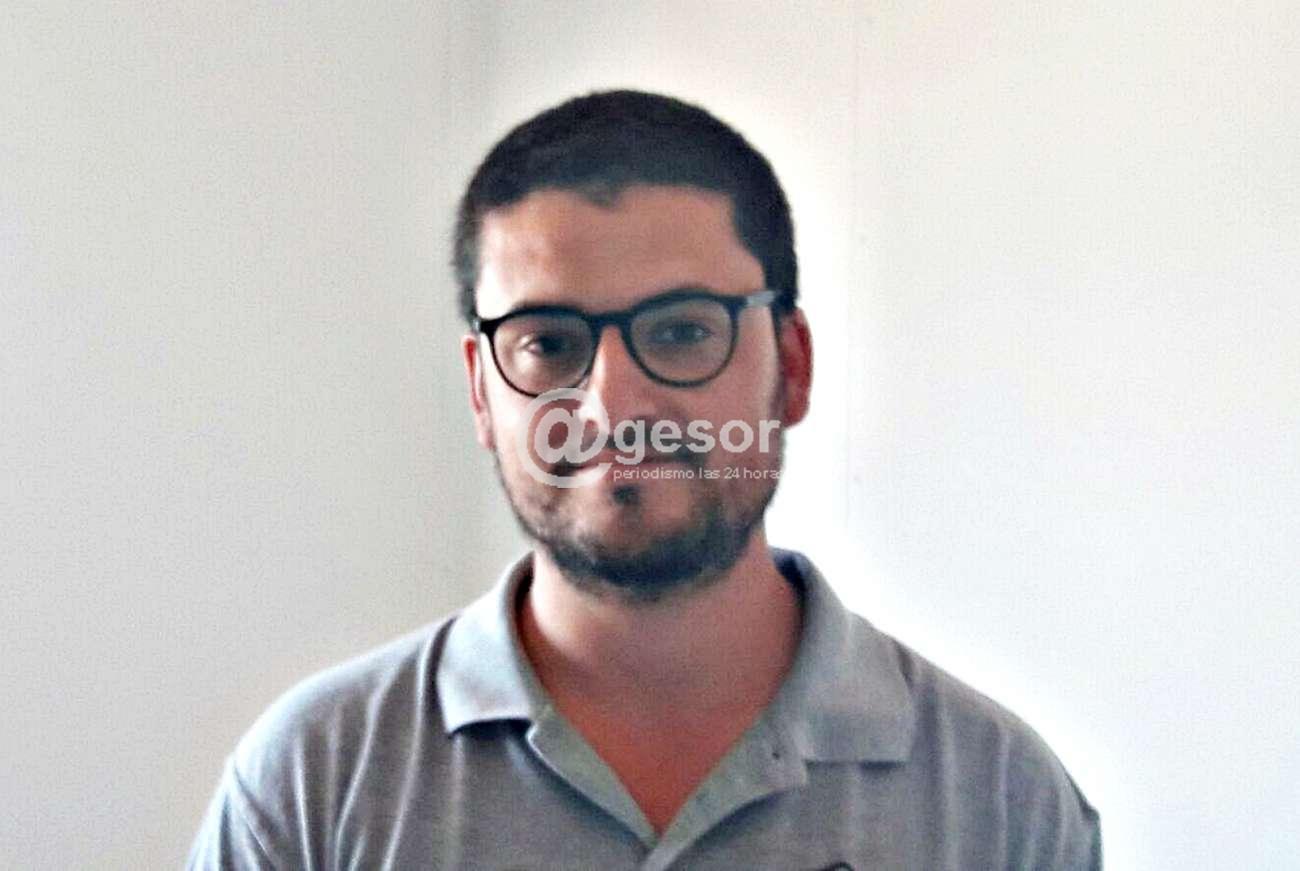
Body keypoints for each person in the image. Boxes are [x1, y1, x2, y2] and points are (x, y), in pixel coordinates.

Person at [188, 89, 1101, 870]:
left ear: (791, 367)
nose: (613, 405)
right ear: (480, 391)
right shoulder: (314, 785)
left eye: (682, 330)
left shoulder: (1000, 799)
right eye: (548, 342)